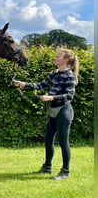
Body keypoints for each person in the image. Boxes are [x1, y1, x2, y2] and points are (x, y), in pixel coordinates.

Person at [14, 48, 79, 180]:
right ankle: (47, 168)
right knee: (48, 140)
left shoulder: (70, 75)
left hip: (63, 112)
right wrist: (24, 84)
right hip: (52, 112)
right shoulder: (54, 73)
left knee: (63, 142)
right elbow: (40, 85)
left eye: (58, 56)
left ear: (65, 60)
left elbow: (70, 95)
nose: (55, 58)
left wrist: (51, 98)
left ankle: (65, 172)